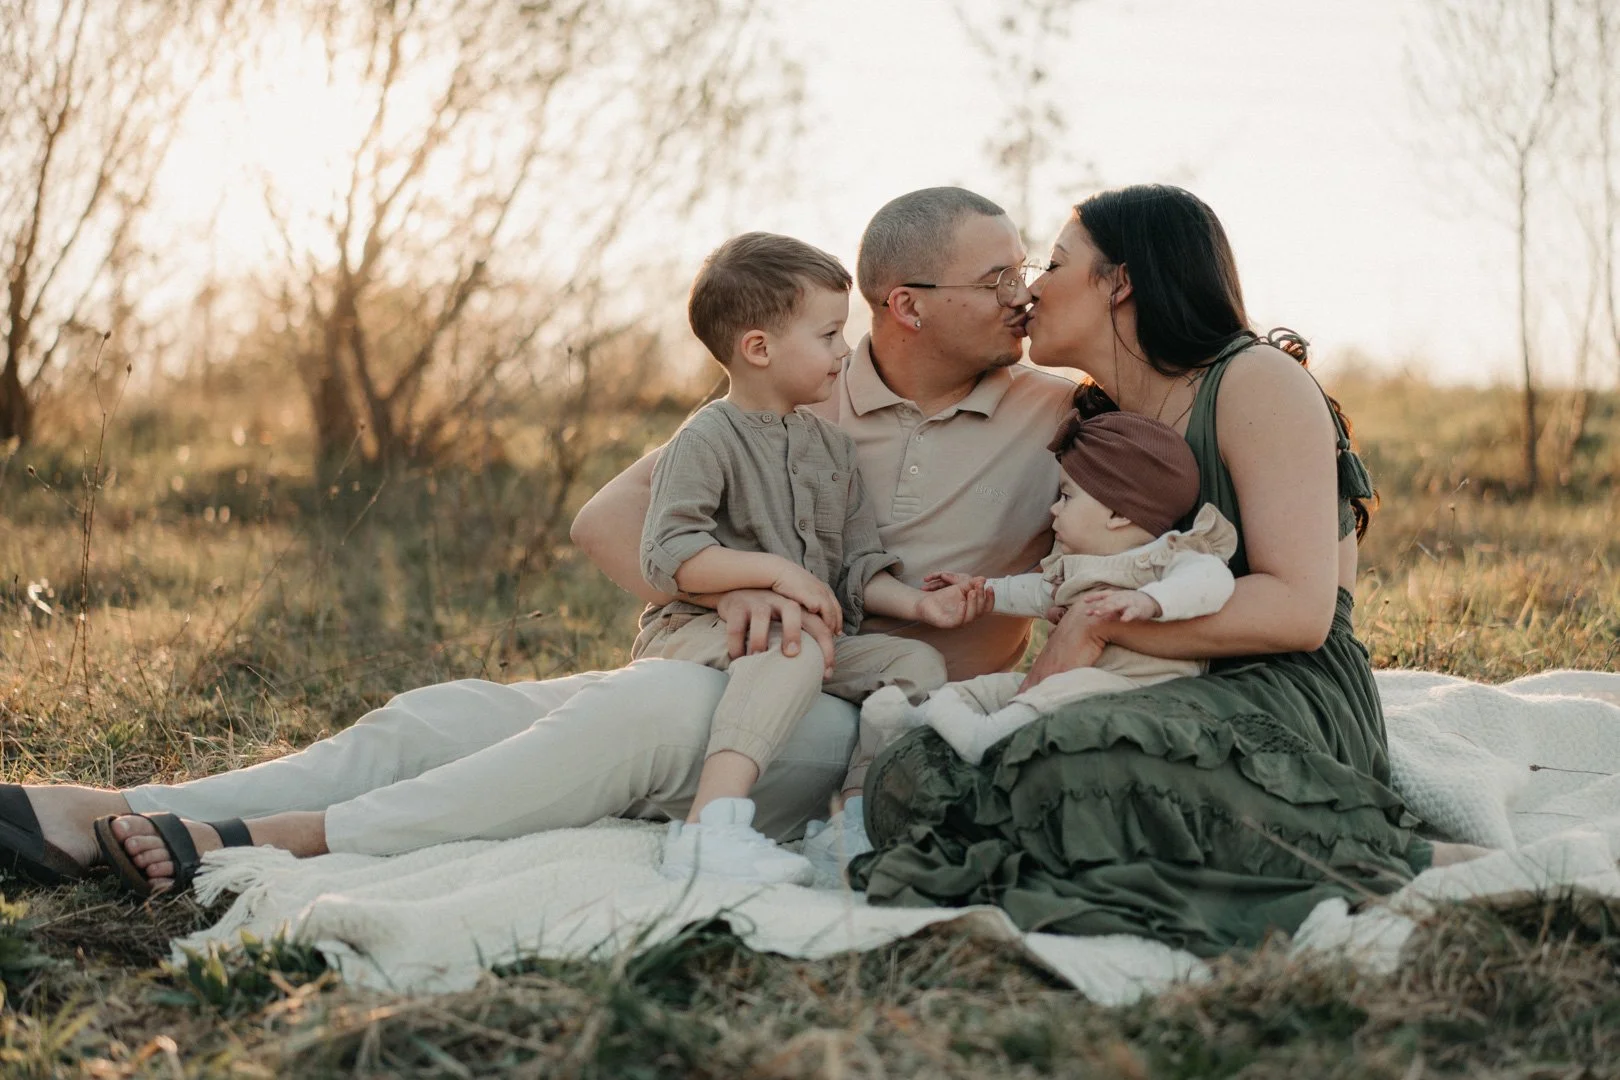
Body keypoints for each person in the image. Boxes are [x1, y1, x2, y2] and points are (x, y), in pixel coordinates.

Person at [0, 187, 1074, 896]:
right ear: (906, 306)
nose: (1020, 298)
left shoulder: (1062, 408)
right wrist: (732, 592)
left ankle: (277, 841)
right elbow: (609, 523)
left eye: (1025, 274)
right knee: (446, 713)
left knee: (638, 709)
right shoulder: (798, 389)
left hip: (860, 718)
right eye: (997, 280)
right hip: (729, 664)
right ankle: (120, 813)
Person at [849, 184, 1480, 956]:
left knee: (1073, 760)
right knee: (912, 772)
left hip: (1272, 687)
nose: (1031, 289)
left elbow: (1299, 610)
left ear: (1121, 283)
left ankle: (1394, 859)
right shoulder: (1095, 413)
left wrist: (1092, 620)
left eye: (1052, 263)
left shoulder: (1252, 383)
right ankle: (1124, 856)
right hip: (1115, 683)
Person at [633, 232, 990, 885]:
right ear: (759, 349)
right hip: (702, 632)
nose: (845, 351)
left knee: (915, 661)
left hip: (813, 638)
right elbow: (668, 553)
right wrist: (774, 573)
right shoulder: (708, 435)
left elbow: (856, 564)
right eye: (828, 335)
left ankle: (851, 818)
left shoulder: (832, 449)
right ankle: (712, 828)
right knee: (787, 638)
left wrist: (919, 604)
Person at [864, 409, 1238, 766]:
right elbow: (1037, 592)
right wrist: (987, 592)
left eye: (1067, 497)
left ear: (1119, 514)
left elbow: (1211, 580)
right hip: (1073, 682)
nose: (1054, 510)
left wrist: (1151, 600)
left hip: (1134, 692)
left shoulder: (1164, 556)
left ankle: (985, 739)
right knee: (998, 687)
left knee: (1066, 690)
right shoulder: (1079, 568)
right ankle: (921, 714)